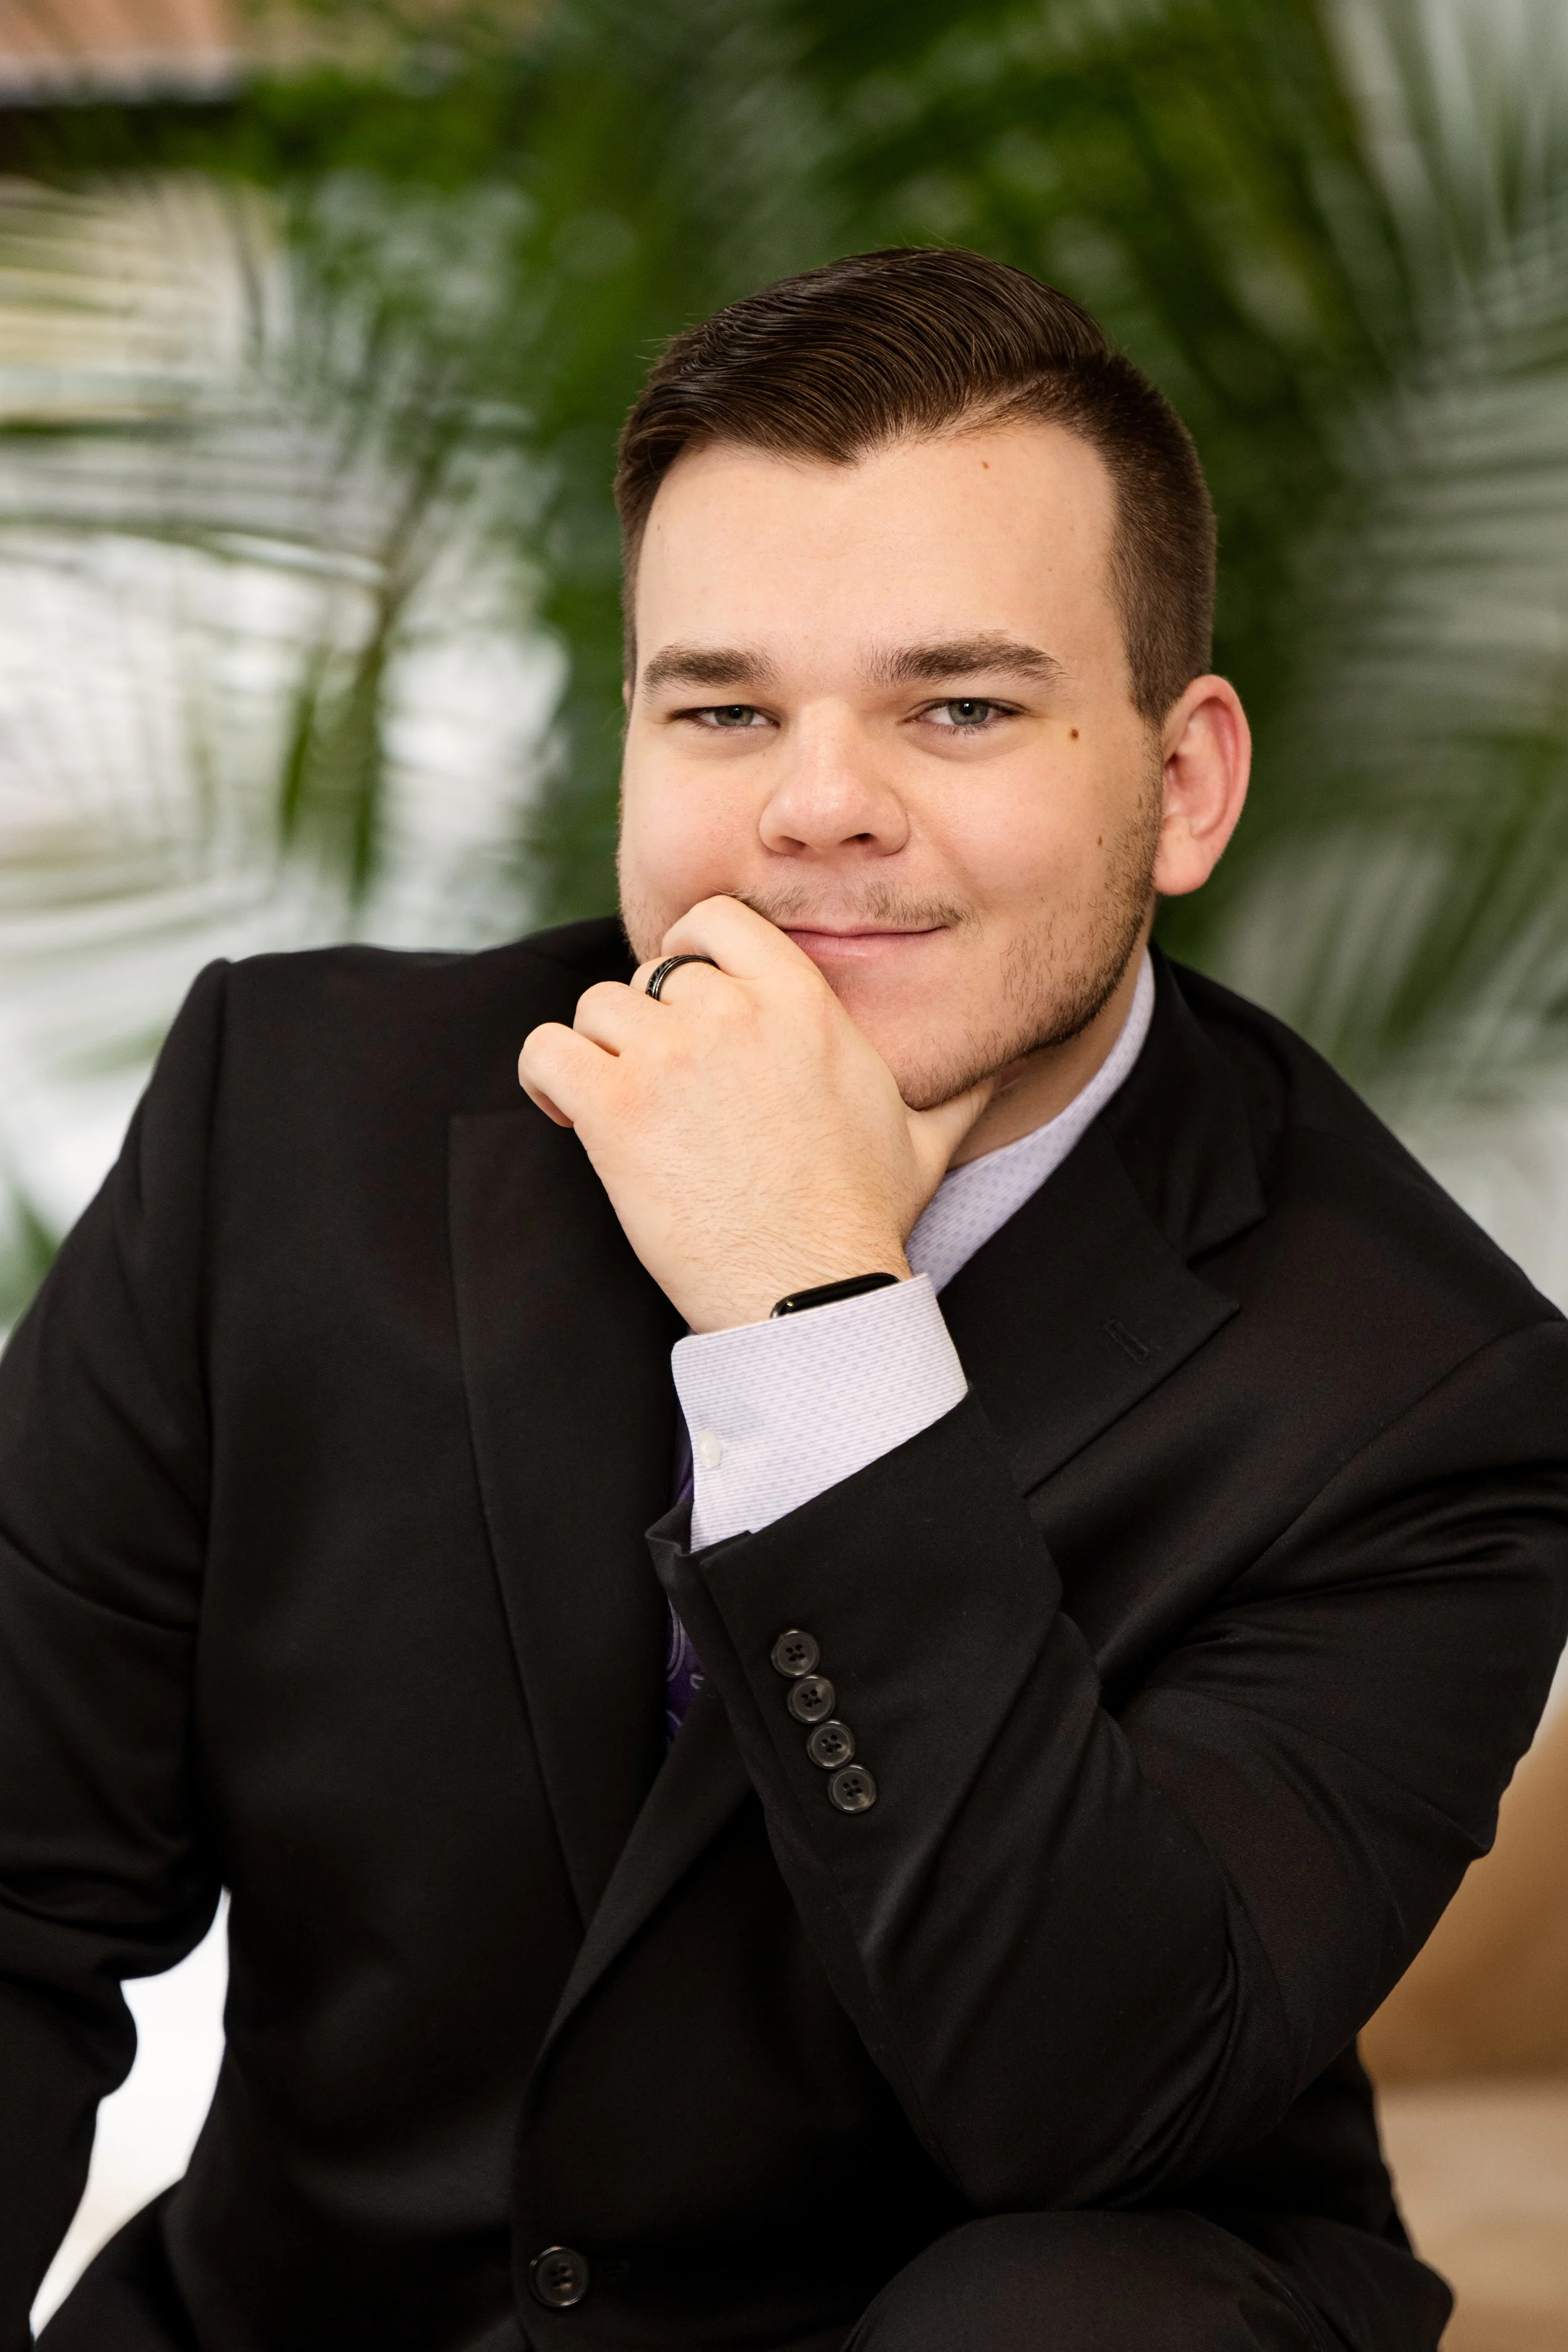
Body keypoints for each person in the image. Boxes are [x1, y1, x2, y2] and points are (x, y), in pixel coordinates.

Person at [4, 247, 1565, 2352]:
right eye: (723, 705)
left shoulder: (1426, 1396)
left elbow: (1087, 2096)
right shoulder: (287, 1122)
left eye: (960, 704)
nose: (815, 801)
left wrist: (809, 1317)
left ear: (1181, 782)